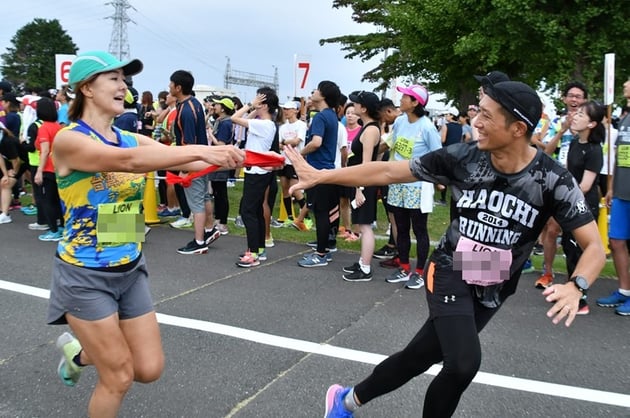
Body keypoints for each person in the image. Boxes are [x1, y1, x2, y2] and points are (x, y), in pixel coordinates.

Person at [285, 80, 605, 417]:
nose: (476, 122)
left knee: (420, 356)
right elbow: (387, 170)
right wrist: (323, 176)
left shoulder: (552, 179)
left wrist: (576, 285)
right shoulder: (464, 157)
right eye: (477, 112)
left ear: (518, 128)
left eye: (486, 115)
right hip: (453, 266)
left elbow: (594, 247)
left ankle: (346, 401)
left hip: (495, 279)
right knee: (464, 363)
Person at [48, 50, 244, 418]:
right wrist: (206, 151)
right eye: (114, 78)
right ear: (86, 88)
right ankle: (95, 351)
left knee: (149, 370)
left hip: (129, 264)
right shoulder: (69, 140)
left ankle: (80, 352)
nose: (124, 86)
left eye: (125, 79)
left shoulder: (127, 136)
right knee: (119, 377)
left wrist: (235, 156)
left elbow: (184, 159)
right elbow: (129, 164)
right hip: (84, 274)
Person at [383, 84, 442, 289]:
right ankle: (405, 267)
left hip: (419, 185)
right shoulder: (399, 121)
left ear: (416, 102)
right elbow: (393, 146)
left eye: (405, 97)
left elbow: (438, 155)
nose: (401, 99)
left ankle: (419, 272)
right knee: (400, 226)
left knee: (419, 229)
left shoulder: (427, 126)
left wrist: (438, 180)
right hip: (398, 183)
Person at [536, 81, 588, 288]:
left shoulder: (588, 123)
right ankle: (547, 273)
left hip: (580, 185)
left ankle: (576, 278)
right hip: (555, 182)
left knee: (576, 234)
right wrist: (563, 130)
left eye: (578, 96)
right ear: (564, 99)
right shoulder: (556, 122)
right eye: (571, 96)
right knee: (551, 229)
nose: (574, 100)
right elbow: (547, 151)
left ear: (584, 100)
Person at [169, 70, 221, 254]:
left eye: (171, 84)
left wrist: (185, 168)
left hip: (195, 160)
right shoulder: (193, 103)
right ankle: (209, 229)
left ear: (178, 87)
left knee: (196, 202)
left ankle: (199, 242)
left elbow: (189, 143)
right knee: (204, 197)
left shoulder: (186, 111)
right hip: (203, 158)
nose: (169, 87)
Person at [231, 88, 279, 267]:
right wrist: (254, 108)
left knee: (247, 211)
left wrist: (251, 105)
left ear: (264, 105)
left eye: (260, 100)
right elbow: (242, 121)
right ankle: (258, 249)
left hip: (257, 172)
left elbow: (234, 118)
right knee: (256, 210)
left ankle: (253, 253)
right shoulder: (264, 122)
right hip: (257, 171)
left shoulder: (264, 124)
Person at [297, 80, 341, 268]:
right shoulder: (331, 115)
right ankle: (326, 249)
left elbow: (316, 142)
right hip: (328, 169)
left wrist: (299, 154)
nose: (312, 92)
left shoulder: (322, 117)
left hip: (317, 170)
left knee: (321, 213)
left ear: (323, 95)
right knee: (327, 212)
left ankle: (320, 254)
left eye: (316, 89)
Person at [340, 91, 382, 281]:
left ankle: (365, 268)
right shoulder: (367, 127)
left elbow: (366, 165)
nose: (353, 106)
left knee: (365, 227)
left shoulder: (371, 129)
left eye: (356, 103)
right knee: (361, 225)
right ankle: (362, 261)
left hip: (364, 184)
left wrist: (360, 189)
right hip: (359, 182)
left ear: (363, 108)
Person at [597, 77, 630, 316]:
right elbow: (620, 157)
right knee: (617, 241)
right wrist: (611, 188)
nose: (625, 84)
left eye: (629, 82)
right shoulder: (626, 119)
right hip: (620, 193)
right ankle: (624, 290)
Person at [33, 97, 65, 241]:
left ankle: (54, 230)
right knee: (59, 200)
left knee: (48, 200)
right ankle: (62, 227)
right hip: (60, 167)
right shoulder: (58, 126)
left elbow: (44, 151)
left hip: (48, 169)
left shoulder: (44, 128)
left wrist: (39, 171)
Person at [277, 99, 307, 224]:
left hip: (296, 160)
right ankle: (289, 217)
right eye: (284, 109)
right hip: (284, 160)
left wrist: (285, 142)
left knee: (295, 189)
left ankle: (305, 216)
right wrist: (286, 144)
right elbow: (279, 143)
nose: (286, 111)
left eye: (288, 109)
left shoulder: (301, 125)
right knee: (285, 189)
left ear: (295, 110)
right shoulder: (282, 127)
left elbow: (297, 141)